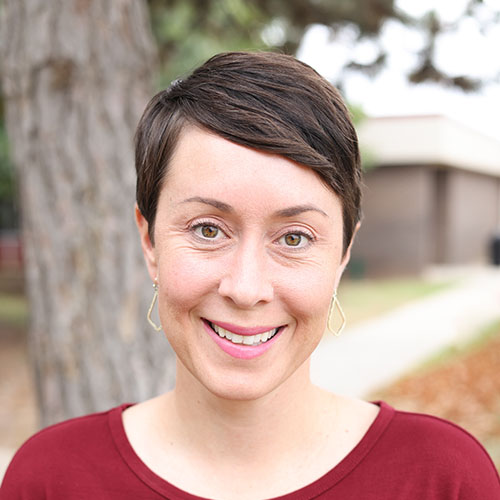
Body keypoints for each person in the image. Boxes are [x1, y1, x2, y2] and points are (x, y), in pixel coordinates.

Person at [1, 51, 499, 499]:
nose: (245, 288)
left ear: (344, 251)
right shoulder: (50, 480)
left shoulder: (442, 480)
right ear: (150, 240)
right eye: (208, 230)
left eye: (295, 237)